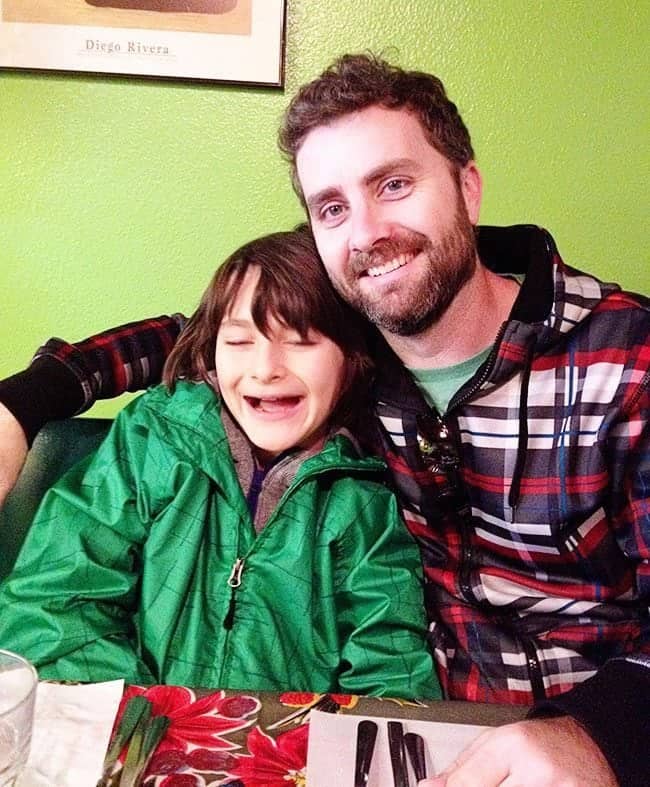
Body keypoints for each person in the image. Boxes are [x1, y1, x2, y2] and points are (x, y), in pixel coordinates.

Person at [0, 54, 648, 785]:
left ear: (468, 187)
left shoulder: (628, 361)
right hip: (411, 737)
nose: (367, 231)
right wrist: (21, 403)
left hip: (589, 740)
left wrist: (602, 732)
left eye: (394, 184)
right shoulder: (355, 340)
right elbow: (189, 339)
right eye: (333, 207)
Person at [0, 227, 440, 700]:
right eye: (239, 341)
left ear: (354, 359)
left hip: (287, 759)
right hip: (134, 739)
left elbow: (392, 675)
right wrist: (155, 718)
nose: (265, 367)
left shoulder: (365, 498)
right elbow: (52, 604)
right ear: (210, 350)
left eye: (301, 340)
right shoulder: (153, 440)